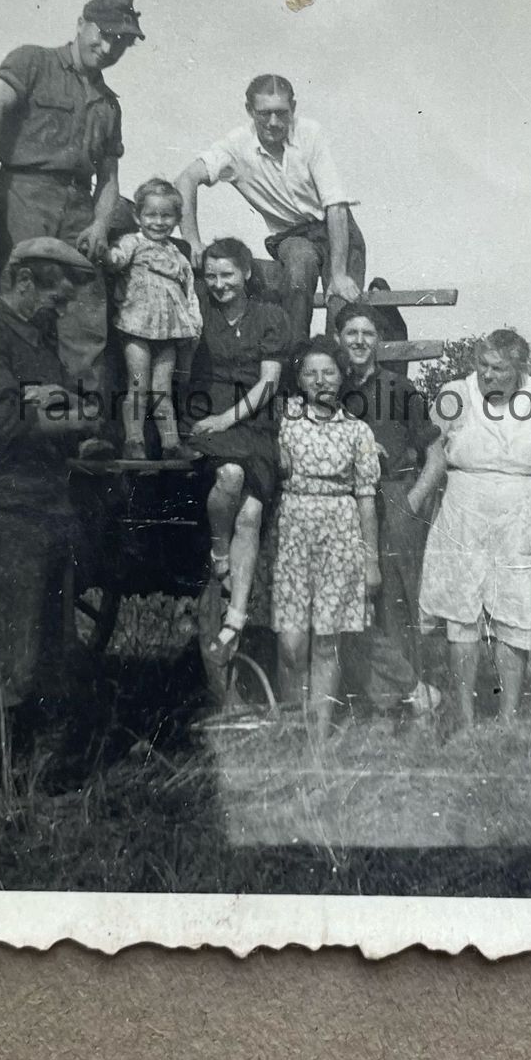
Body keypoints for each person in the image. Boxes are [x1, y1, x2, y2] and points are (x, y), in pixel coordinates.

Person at [0, 238, 105, 715]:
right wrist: (76, 415)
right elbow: (4, 423)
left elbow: (69, 412)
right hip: (4, 517)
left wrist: (58, 407)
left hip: (51, 513)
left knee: (51, 663)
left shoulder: (39, 340)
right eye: (57, 299)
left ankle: (40, 758)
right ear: (23, 281)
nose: (62, 310)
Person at [0, 0, 143, 389]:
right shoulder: (32, 61)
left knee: (85, 310)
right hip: (24, 196)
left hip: (79, 208)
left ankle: (82, 412)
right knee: (21, 298)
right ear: (81, 25)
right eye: (104, 35)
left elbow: (109, 177)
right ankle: (12, 407)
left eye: (120, 43)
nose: (108, 48)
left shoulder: (109, 105)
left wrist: (100, 224)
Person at [407, 329, 531, 730]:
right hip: (465, 505)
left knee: (516, 610)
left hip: (522, 510)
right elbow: (430, 449)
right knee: (462, 611)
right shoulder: (455, 394)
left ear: (519, 369)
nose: (488, 375)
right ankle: (466, 716)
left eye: (499, 369)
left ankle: (508, 719)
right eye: (483, 365)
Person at [175, 73, 364, 344]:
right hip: (293, 235)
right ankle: (293, 356)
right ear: (249, 110)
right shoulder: (236, 145)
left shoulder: (310, 133)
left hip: (337, 228)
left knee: (342, 307)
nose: (274, 122)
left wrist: (339, 274)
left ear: (293, 108)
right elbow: (186, 179)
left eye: (281, 113)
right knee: (299, 267)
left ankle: (339, 366)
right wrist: (192, 240)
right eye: (264, 114)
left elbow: (335, 205)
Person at [184, 237, 292, 675]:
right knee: (229, 476)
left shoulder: (270, 317)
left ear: (246, 273)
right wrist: (212, 419)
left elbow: (269, 384)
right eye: (211, 275)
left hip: (253, 422)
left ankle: (236, 617)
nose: (219, 283)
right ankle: (219, 556)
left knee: (251, 513)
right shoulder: (201, 309)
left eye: (227, 274)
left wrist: (227, 419)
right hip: (206, 415)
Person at [271, 339, 385, 743]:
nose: (320, 380)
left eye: (329, 372)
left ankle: (316, 738)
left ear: (341, 377)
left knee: (326, 641)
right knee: (291, 642)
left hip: (341, 535)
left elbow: (366, 500)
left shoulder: (357, 430)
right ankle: (293, 725)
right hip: (293, 533)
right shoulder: (283, 421)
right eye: (311, 373)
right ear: (299, 380)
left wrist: (371, 562)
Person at [331, 302, 439, 716]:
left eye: (368, 334)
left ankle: (409, 701)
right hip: (343, 505)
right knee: (353, 602)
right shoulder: (330, 387)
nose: (359, 341)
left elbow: (436, 455)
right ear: (339, 338)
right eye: (351, 333)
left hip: (392, 498)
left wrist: (410, 501)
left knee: (395, 601)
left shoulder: (400, 388)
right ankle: (374, 701)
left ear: (379, 340)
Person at [106, 177, 203, 459]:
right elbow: (116, 259)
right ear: (138, 216)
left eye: (166, 216)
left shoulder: (178, 255)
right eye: (151, 215)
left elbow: (188, 291)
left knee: (162, 389)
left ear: (177, 219)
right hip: (137, 327)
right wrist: (109, 256)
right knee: (138, 384)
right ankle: (134, 441)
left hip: (169, 332)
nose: (158, 222)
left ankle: (171, 444)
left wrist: (193, 324)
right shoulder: (132, 242)